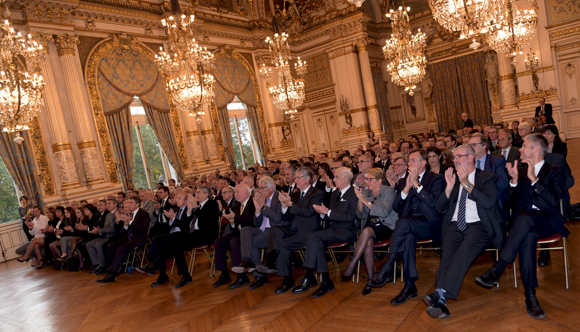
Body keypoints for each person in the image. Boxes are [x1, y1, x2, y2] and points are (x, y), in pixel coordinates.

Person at [475, 134, 568, 319]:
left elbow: (552, 200)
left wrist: (534, 180)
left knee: (525, 220)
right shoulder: (521, 171)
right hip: (523, 225)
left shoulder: (555, 170)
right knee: (527, 235)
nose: (520, 149)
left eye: (524, 146)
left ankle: (499, 267)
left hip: (547, 221)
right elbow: (509, 204)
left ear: (536, 149)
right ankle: (531, 296)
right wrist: (514, 181)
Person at [423, 145, 505, 319]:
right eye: (454, 157)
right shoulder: (451, 179)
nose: (455, 160)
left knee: (464, 251)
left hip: (479, 225)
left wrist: (466, 183)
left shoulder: (487, 178)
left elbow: (489, 202)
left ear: (470, 158)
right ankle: (441, 301)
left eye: (458, 156)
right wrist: (450, 186)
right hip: (454, 225)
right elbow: (439, 207)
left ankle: (440, 293)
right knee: (447, 256)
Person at [367, 149, 445, 305]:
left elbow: (433, 204)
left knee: (402, 223)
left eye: (413, 160)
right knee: (407, 238)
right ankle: (409, 286)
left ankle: (388, 267)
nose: (409, 164)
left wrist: (416, 183)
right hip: (410, 225)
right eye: (409, 160)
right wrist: (406, 189)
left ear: (424, 163)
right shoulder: (403, 181)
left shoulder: (437, 179)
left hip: (429, 224)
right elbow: (396, 207)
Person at [287, 167, 357, 298]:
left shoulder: (354, 193)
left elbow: (349, 217)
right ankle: (327, 282)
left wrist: (328, 212)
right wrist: (324, 213)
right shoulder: (336, 193)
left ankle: (308, 275)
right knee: (316, 242)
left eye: (336, 177)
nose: (333, 179)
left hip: (346, 231)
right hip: (332, 230)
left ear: (345, 178)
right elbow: (329, 213)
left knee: (313, 236)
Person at [340, 168, 398, 296]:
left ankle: (352, 264)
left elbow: (384, 212)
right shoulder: (366, 192)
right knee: (368, 242)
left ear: (379, 181)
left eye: (370, 179)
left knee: (366, 231)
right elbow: (361, 216)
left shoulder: (388, 191)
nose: (367, 182)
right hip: (370, 227)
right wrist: (360, 203)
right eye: (366, 179)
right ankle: (371, 280)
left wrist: (365, 201)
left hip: (385, 226)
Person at [231, 177, 282, 290]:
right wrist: (258, 211)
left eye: (262, 188)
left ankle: (259, 276)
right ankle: (246, 260)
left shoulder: (278, 198)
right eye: (259, 188)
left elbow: (277, 219)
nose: (260, 191)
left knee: (251, 243)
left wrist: (263, 206)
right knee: (245, 230)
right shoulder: (261, 200)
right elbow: (256, 222)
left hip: (274, 230)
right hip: (262, 229)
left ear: (271, 188)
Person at [97, 196, 151, 283]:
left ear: (137, 204)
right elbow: (123, 232)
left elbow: (142, 230)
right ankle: (110, 269)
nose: (129, 204)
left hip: (138, 239)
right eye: (128, 203)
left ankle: (112, 274)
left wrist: (130, 222)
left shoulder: (144, 214)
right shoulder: (128, 213)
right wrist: (125, 224)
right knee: (111, 246)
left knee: (120, 249)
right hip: (128, 238)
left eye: (131, 203)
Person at [212, 184, 256, 289]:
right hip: (239, 233)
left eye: (237, 192)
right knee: (219, 242)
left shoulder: (252, 203)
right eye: (235, 192)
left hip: (250, 234)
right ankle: (224, 274)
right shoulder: (237, 206)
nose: (235, 195)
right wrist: (232, 222)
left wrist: (235, 217)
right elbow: (234, 227)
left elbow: (252, 221)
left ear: (246, 192)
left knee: (234, 242)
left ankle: (241, 276)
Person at [86, 198, 119, 275]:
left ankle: (103, 266)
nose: (107, 205)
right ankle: (96, 264)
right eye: (107, 204)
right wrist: (98, 230)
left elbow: (113, 228)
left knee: (98, 244)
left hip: (113, 236)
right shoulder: (108, 215)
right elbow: (105, 227)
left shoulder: (117, 213)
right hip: (105, 235)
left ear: (115, 204)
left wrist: (100, 230)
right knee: (89, 244)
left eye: (109, 203)